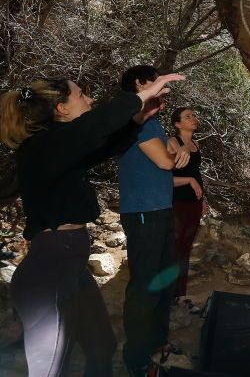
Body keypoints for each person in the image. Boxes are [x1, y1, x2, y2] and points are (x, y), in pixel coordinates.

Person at [0, 74, 183, 377]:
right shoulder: (41, 146)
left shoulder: (57, 149)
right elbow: (95, 126)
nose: (90, 99)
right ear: (61, 109)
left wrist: (138, 118)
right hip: (49, 272)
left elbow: (102, 145)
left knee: (102, 346)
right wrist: (139, 95)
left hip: (70, 267)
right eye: (81, 95)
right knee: (49, 370)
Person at [117, 65, 191, 375]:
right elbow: (164, 160)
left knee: (163, 280)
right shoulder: (138, 124)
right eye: (156, 82)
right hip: (143, 211)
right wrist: (177, 151)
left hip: (159, 209)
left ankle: (158, 342)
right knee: (146, 284)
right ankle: (137, 357)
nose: (163, 89)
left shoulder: (152, 124)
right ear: (139, 84)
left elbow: (169, 153)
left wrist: (176, 148)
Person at [167, 106, 206, 311]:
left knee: (186, 249)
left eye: (193, 115)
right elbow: (166, 179)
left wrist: (203, 199)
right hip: (178, 203)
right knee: (174, 248)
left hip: (194, 203)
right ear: (177, 124)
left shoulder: (195, 144)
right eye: (187, 116)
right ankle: (167, 294)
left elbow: (196, 174)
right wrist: (190, 181)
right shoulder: (173, 143)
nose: (193, 118)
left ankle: (180, 295)